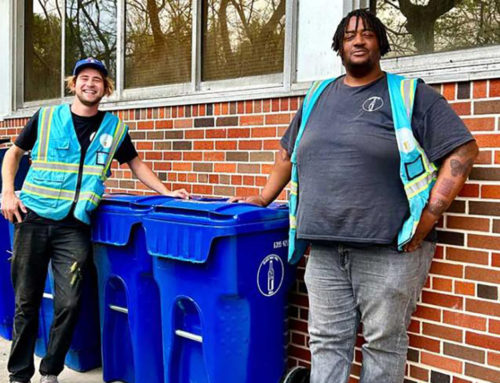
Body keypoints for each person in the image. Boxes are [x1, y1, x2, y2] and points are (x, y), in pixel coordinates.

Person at [231, 10, 478, 383]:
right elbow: (287, 154)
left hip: (391, 249)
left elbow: (462, 151)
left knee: (383, 343)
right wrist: (262, 199)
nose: (358, 41)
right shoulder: (316, 96)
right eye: (349, 36)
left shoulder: (410, 94)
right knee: (326, 341)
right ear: (339, 47)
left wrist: (430, 215)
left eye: (366, 34)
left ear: (380, 42)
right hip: (325, 249)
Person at [1, 57, 189, 383]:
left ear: (106, 88)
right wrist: (7, 191)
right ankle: (19, 374)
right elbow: (13, 153)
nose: (90, 84)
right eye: (84, 78)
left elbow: (136, 164)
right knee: (26, 303)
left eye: (97, 80)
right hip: (32, 218)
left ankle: (50, 372)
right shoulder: (46, 118)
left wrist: (168, 191)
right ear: (74, 84)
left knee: (70, 303)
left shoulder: (113, 129)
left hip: (73, 226)